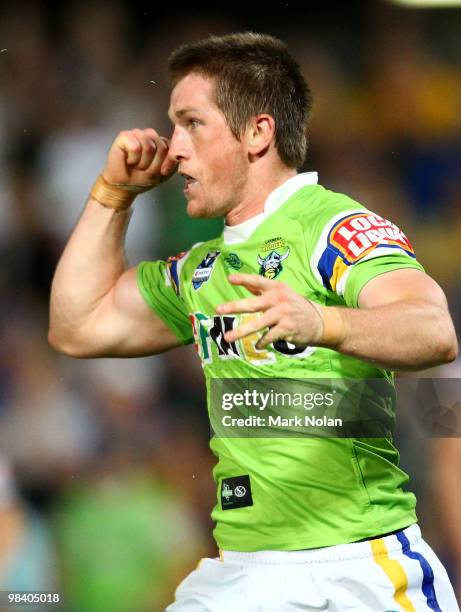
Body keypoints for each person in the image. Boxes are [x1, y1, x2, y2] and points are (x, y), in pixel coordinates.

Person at [48, 32, 459, 611]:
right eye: (172, 125)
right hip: (239, 572)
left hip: (356, 568)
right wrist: (113, 195)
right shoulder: (201, 269)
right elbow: (77, 325)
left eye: (193, 123)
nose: (174, 148)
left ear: (258, 133)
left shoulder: (332, 228)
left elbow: (433, 329)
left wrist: (320, 322)